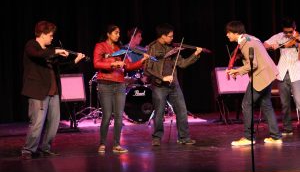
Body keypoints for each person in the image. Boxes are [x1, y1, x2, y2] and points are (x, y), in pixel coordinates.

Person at [21, 20, 86, 159]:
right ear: (43, 34)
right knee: (37, 122)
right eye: (50, 35)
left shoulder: (49, 52)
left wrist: (75, 60)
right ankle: (28, 150)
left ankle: (46, 147)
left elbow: (59, 68)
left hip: (54, 92)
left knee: (54, 122)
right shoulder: (31, 45)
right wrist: (55, 51)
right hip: (38, 92)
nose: (52, 38)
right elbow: (37, 55)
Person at [144, 23, 202, 146]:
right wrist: (162, 77)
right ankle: (157, 138)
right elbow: (147, 69)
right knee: (159, 113)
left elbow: (182, 64)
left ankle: (184, 137)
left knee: (182, 111)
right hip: (159, 85)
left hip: (174, 85)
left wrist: (195, 55)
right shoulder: (152, 47)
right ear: (162, 36)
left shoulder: (173, 48)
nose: (172, 38)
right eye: (170, 36)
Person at [93, 24, 149, 153]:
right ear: (108, 34)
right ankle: (102, 143)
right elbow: (96, 63)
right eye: (116, 33)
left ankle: (117, 145)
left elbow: (128, 66)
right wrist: (113, 63)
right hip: (105, 83)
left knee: (119, 116)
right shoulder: (100, 46)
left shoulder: (120, 49)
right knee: (107, 115)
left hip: (119, 84)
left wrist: (142, 61)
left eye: (119, 33)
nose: (118, 35)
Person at [225, 20, 282, 146]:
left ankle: (248, 137)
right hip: (268, 75)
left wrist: (237, 71)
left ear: (236, 32)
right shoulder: (250, 38)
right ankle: (276, 136)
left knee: (246, 104)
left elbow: (253, 64)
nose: (227, 35)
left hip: (260, 77)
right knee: (266, 105)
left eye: (229, 33)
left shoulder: (246, 43)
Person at [263, 17, 300, 136]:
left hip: (297, 73)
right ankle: (287, 128)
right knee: (285, 103)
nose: (288, 34)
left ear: (294, 29)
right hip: (282, 72)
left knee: (299, 101)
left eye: (290, 32)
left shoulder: (298, 37)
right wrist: (271, 46)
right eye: (286, 32)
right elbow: (265, 44)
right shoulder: (279, 36)